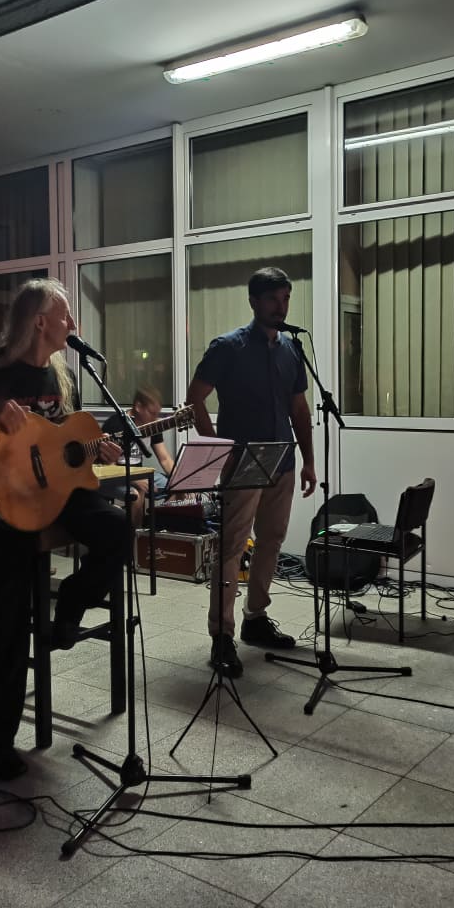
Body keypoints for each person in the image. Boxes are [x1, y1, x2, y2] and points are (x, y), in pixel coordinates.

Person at [0, 279, 125, 781]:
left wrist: (97, 450)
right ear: (40, 322)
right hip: (1, 509)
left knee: (119, 530)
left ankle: (69, 609)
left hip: (57, 498)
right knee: (6, 628)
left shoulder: (62, 374)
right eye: (66, 315)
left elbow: (64, 441)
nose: (73, 324)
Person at [186, 266, 317, 677]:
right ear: (254, 302)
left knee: (272, 540)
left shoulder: (291, 349)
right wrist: (219, 451)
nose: (281, 307)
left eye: (286, 298)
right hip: (242, 461)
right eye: (273, 299)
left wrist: (309, 460)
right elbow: (195, 398)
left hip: (283, 460)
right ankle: (221, 635)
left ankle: (255, 618)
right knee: (231, 548)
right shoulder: (228, 347)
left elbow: (299, 409)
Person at [101, 385, 175, 524]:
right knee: (136, 494)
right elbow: (109, 467)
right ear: (139, 406)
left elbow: (165, 459)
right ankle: (132, 534)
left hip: (138, 474)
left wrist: (181, 480)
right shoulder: (116, 424)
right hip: (112, 477)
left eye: (157, 414)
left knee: (178, 487)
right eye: (152, 412)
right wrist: (134, 480)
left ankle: (156, 523)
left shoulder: (152, 426)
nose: (155, 418)